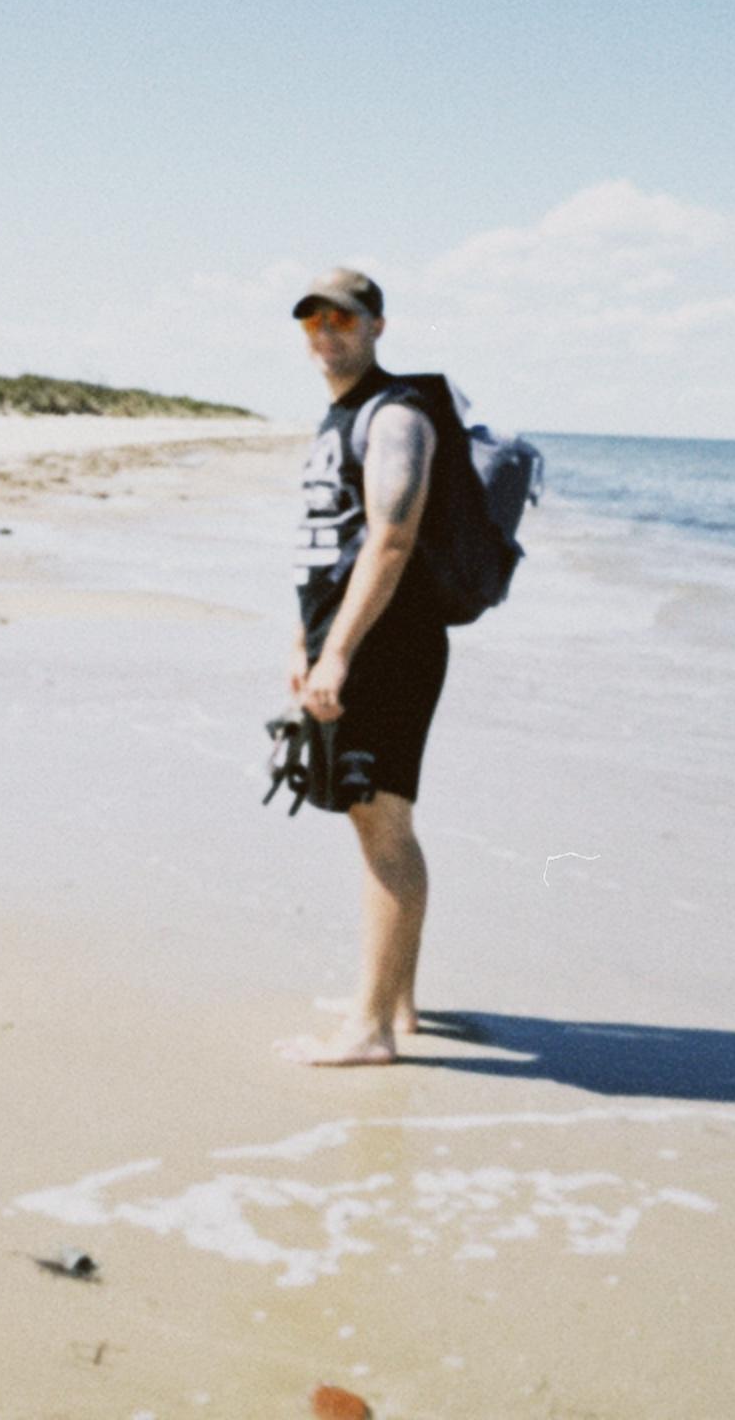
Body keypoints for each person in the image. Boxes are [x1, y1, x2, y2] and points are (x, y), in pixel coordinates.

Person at [276, 267, 445, 1067]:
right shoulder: (340, 417)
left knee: (382, 826)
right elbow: (326, 547)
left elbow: (392, 537)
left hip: (387, 646)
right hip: (348, 642)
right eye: (313, 319)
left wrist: (339, 651)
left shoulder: (395, 416)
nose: (325, 332)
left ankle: (371, 1029)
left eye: (342, 319)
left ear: (377, 325)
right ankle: (395, 1003)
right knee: (376, 823)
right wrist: (304, 642)